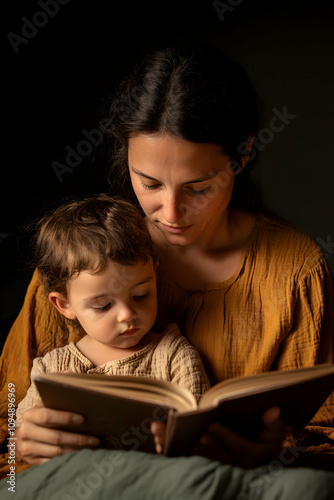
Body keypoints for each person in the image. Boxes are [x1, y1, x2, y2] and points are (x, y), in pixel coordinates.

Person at [1, 43, 333, 471]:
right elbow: (8, 406)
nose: (170, 214)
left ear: (243, 156)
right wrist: (19, 437)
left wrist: (278, 456)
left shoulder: (295, 271)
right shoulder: (77, 258)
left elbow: (328, 438)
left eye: (199, 187)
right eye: (150, 183)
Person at [14, 194, 210, 442]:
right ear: (64, 305)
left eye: (141, 295)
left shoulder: (173, 355)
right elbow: (24, 435)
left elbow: (201, 428)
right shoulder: (51, 369)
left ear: (155, 275)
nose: (127, 314)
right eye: (103, 305)